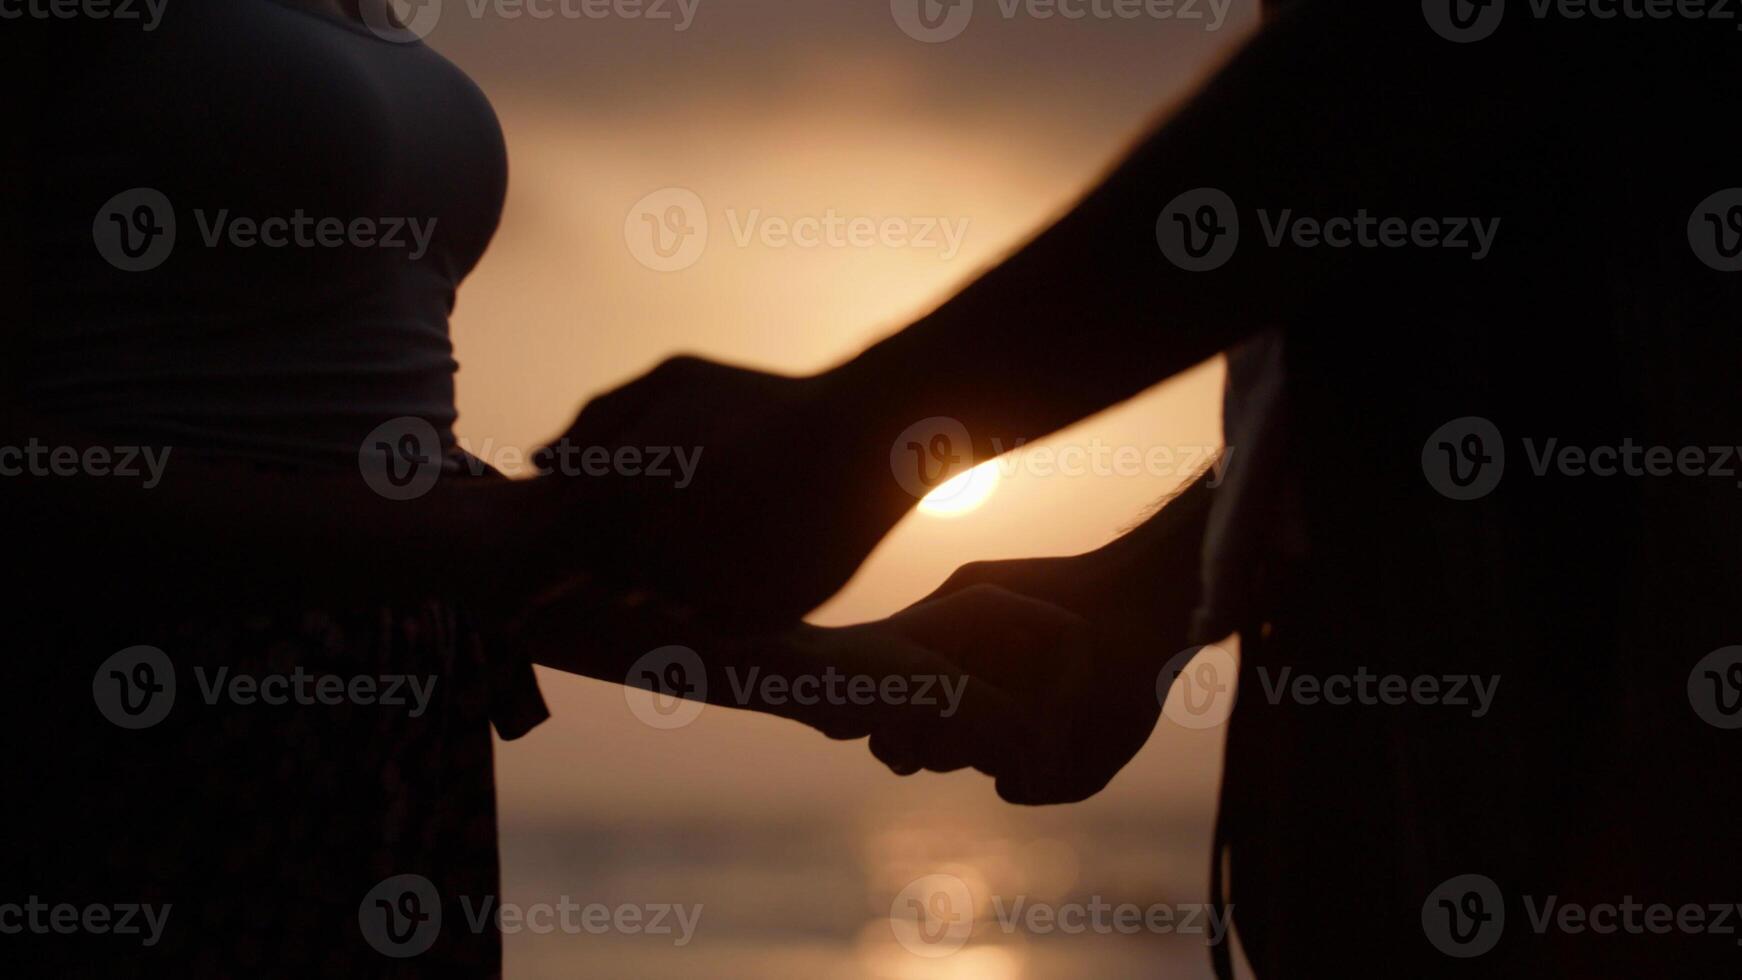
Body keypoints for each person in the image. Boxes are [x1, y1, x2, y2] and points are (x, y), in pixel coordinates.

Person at [557, 1, 1742, 975]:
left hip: (1609, 729)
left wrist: (859, 430)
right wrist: (1147, 592)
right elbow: (1453, 316)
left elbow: (1430, 62)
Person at [3, 2, 1067, 973]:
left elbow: (438, 533)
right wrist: (529, 527)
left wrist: (832, 667)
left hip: (396, 741)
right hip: (141, 737)